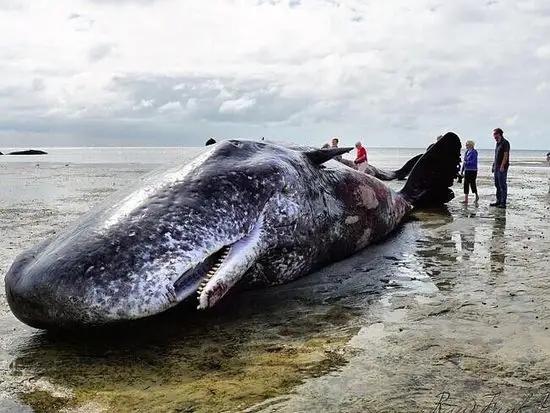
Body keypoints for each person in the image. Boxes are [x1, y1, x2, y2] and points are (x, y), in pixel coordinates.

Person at [490, 128, 510, 208]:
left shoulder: (505, 143)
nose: (494, 136)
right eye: (494, 135)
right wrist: (493, 165)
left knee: (502, 185)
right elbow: (496, 156)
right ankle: (498, 201)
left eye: (495, 134)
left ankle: (503, 203)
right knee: (497, 184)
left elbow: (506, 155)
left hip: (502, 167)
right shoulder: (497, 143)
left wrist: (502, 166)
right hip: (496, 167)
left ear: (499, 134)